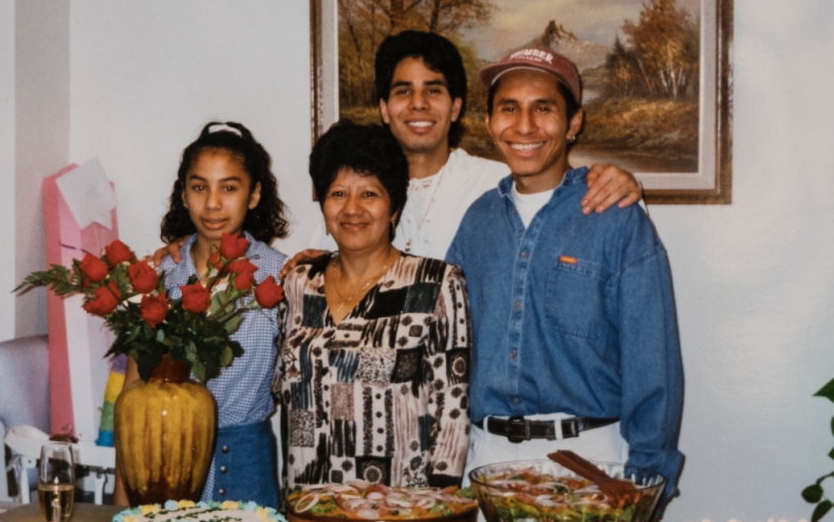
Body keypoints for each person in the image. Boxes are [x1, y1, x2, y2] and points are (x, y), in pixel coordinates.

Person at [445, 47, 683, 505]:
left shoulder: (616, 218)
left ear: (574, 122)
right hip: (486, 462)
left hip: (591, 461)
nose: (525, 126)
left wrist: (648, 477)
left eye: (544, 108)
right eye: (508, 108)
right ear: (490, 121)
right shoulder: (477, 222)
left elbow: (652, 359)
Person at [294, 30, 642, 265]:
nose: (418, 104)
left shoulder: (499, 184)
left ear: (456, 107)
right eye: (403, 91)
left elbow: (562, 199)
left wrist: (618, 182)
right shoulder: (350, 199)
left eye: (434, 90)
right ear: (384, 109)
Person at [275, 121, 471, 490]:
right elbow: (284, 395)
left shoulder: (435, 284)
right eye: (337, 193)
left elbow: (452, 412)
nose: (352, 209)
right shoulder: (298, 283)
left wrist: (438, 509)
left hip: (399, 507)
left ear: (394, 207)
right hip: (309, 503)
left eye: (369, 194)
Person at [113, 122, 288, 507]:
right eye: (199, 187)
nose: (212, 203)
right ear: (183, 193)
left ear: (254, 194)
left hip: (246, 465)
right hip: (161, 462)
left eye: (229, 187)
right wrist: (122, 503)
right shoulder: (160, 276)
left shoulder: (282, 276)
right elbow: (132, 394)